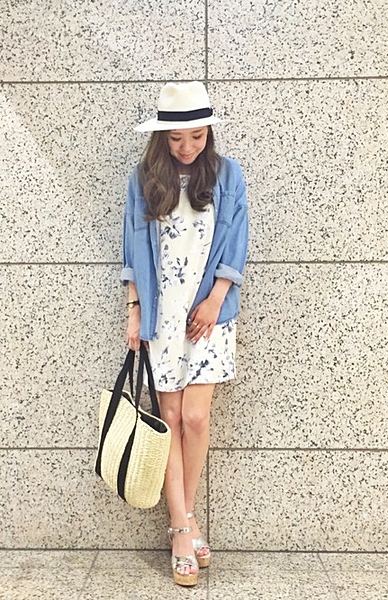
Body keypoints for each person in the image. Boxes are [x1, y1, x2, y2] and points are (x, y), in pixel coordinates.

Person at [120, 81, 249, 587]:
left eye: (196, 136)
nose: (187, 146)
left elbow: (236, 240)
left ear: (208, 133)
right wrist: (135, 310)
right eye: (176, 138)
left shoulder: (227, 174)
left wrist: (216, 299)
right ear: (162, 137)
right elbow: (132, 246)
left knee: (195, 417)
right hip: (162, 314)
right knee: (169, 417)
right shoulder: (144, 179)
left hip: (209, 314)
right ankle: (182, 529)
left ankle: (185, 515)